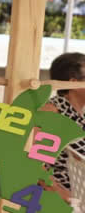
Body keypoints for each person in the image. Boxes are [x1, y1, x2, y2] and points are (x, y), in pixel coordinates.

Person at [40, 52, 85, 202]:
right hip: (61, 201)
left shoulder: (80, 116)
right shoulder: (54, 112)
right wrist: (65, 196)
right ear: (74, 83)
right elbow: (36, 163)